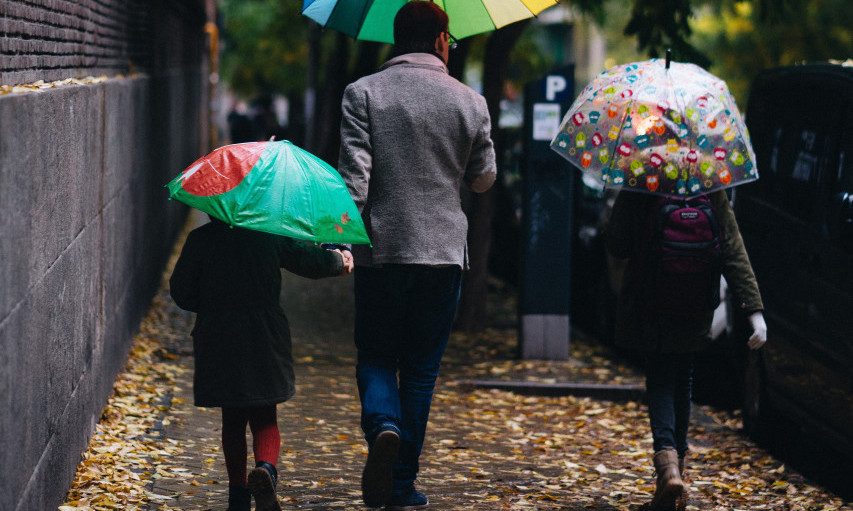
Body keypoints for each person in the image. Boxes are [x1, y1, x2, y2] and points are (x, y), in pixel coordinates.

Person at [336, 2, 497, 509]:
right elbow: (483, 178)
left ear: (395, 38)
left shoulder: (362, 94)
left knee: (377, 354)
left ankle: (383, 424)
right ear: (442, 40)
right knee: (422, 370)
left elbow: (354, 179)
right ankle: (401, 485)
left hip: (382, 249)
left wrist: (341, 239)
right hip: (443, 253)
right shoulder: (471, 102)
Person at [169, 217, 354, 511]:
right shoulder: (268, 235)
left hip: (218, 337)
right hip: (264, 333)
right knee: (265, 415)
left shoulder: (200, 239)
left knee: (232, 419)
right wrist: (338, 260)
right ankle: (266, 470)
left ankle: (238, 499)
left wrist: (212, 304)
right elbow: (307, 260)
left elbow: (181, 291)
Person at [605, 189, 767, 510]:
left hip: (650, 299)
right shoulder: (709, 178)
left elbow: (617, 244)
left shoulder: (642, 174)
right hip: (695, 300)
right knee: (683, 376)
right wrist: (755, 312)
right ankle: (676, 473)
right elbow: (733, 248)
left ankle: (668, 469)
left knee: (661, 376)